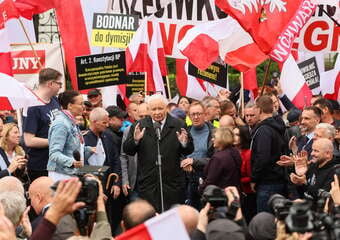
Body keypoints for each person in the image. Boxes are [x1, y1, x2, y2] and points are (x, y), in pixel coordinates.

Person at [123, 94, 194, 212]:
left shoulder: (178, 124)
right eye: (153, 109)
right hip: (149, 184)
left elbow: (189, 149)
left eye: (160, 108)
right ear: (148, 110)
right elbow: (128, 150)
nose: (157, 112)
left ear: (166, 108)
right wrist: (135, 140)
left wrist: (184, 143)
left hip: (172, 184)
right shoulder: (139, 126)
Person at [83, 107, 122, 234]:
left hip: (109, 188)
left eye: (108, 122)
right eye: (104, 122)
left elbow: (116, 161)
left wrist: (117, 183)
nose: (107, 125)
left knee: (109, 223)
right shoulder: (82, 139)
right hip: (91, 191)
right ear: (94, 122)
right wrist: (96, 190)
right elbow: (81, 167)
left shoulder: (109, 137)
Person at [23, 68, 62, 181]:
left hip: (57, 161)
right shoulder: (33, 106)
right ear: (50, 84)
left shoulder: (54, 100)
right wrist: (56, 141)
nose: (61, 86)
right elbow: (29, 140)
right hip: (41, 165)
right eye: (59, 83)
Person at [250, 95, 287, 213]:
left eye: (255, 107)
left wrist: (254, 178)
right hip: (276, 179)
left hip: (268, 182)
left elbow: (262, 157)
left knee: (266, 220)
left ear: (259, 109)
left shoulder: (264, 130)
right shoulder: (277, 126)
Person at [47, 90, 92, 182]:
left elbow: (72, 147)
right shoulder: (61, 124)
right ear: (70, 105)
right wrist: (72, 162)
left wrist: (89, 150)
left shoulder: (70, 121)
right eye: (80, 104)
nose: (83, 107)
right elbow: (54, 154)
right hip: (61, 175)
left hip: (70, 173)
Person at [180, 102, 214, 209]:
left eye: (199, 114)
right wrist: (184, 162)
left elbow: (215, 160)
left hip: (206, 179)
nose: (196, 117)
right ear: (189, 116)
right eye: (193, 114)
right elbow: (178, 153)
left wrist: (193, 161)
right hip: (187, 179)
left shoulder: (214, 133)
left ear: (205, 114)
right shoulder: (185, 132)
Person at [120, 103, 149, 200]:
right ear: (136, 116)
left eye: (146, 116)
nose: (144, 119)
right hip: (135, 182)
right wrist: (125, 180)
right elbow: (123, 156)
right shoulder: (128, 131)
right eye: (141, 116)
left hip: (152, 183)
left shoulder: (156, 130)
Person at [200, 127, 241, 191]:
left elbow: (211, 181)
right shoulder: (235, 151)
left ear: (222, 139)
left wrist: (201, 188)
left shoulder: (218, 158)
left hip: (220, 196)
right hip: (234, 193)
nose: (212, 139)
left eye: (215, 137)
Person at [233, 126, 256, 223]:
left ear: (243, 137)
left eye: (237, 135)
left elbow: (251, 177)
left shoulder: (248, 154)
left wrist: (236, 180)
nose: (234, 137)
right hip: (234, 194)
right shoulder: (231, 152)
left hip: (247, 195)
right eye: (232, 134)